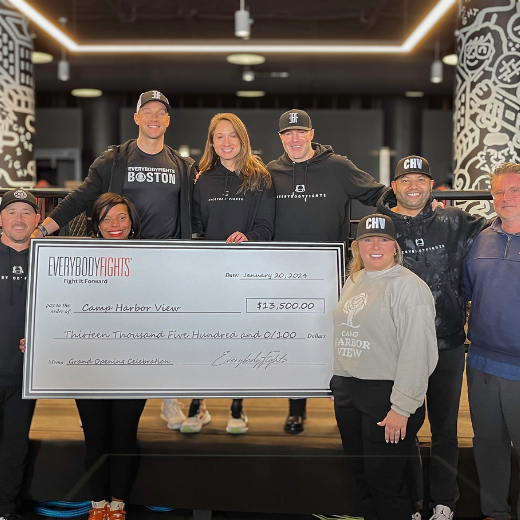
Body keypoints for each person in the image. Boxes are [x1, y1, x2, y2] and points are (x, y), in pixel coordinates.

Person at [31, 90, 194, 431]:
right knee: (112, 331)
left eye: (160, 113)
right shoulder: (114, 160)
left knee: (163, 334)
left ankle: (168, 398)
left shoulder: (182, 166)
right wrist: (42, 230)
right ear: (136, 118)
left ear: (167, 120)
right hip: (117, 263)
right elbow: (80, 199)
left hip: (163, 265)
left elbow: (200, 209)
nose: (153, 118)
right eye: (147, 111)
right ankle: (98, 402)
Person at [376, 156, 489, 520]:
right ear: (394, 186)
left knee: (445, 429)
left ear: (432, 185)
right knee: (403, 427)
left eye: (421, 179)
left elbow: (502, 223)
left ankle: (444, 502)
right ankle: (412, 502)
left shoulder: (454, 220)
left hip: (448, 344)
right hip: (397, 348)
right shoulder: (380, 226)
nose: (414, 186)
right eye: (406, 180)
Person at [267, 109, 389, 434]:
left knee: (339, 340)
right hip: (285, 277)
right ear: (281, 138)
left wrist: (416, 204)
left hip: (330, 274)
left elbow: (377, 194)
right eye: (287, 133)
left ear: (311, 134)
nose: (294, 138)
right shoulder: (271, 172)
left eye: (300, 132)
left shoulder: (337, 166)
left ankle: (344, 409)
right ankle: (296, 410)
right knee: (295, 342)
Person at [331, 213, 438, 520]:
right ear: (357, 247)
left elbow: (418, 352)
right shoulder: (355, 280)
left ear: (395, 247)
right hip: (350, 391)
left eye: (384, 239)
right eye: (367, 239)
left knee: (385, 485)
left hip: (387, 396)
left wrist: (402, 408)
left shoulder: (408, 287)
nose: (375, 246)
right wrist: (339, 383)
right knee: (361, 479)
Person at [177, 112, 275, 435]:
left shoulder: (260, 178)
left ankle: (237, 406)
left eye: (232, 135)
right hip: (209, 276)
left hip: (247, 275)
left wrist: (249, 238)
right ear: (212, 143)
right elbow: (195, 226)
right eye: (219, 136)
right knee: (202, 341)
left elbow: (267, 226)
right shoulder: (203, 180)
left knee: (239, 342)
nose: (226, 142)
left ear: (242, 140)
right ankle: (197, 404)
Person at [68, 193, 143, 520]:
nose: (115, 224)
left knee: (124, 436)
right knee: (95, 436)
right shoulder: (80, 261)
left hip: (134, 365)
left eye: (121, 217)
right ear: (96, 225)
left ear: (132, 222)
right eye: (106, 218)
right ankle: (98, 506)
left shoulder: (150, 259)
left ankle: (118, 506)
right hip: (90, 364)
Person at [463, 162, 520, 520]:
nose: (505, 197)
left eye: (514, 190)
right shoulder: (481, 238)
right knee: (487, 445)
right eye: (499, 191)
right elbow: (470, 291)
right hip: (481, 363)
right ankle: (494, 513)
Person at [0, 189, 41, 520]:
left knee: (15, 447)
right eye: (11, 211)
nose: (19, 218)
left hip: (23, 376)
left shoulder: (50, 261)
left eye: (26, 212)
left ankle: (5, 510)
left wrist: (44, 337)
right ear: (0, 219)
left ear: (37, 219)